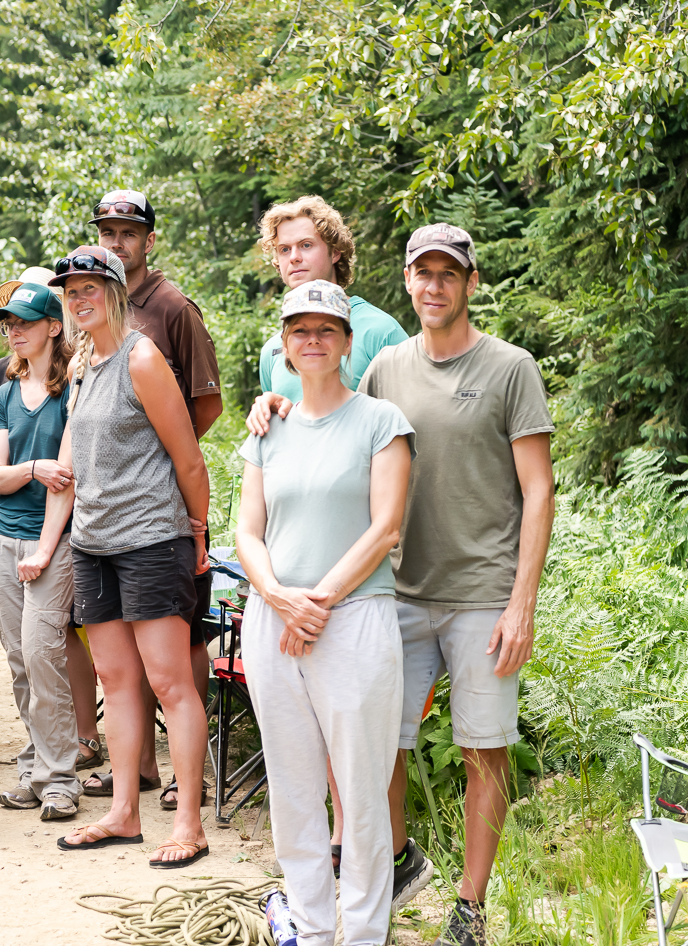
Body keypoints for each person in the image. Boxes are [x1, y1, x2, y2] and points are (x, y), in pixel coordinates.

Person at [253, 224, 551, 944]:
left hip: (482, 591)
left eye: (449, 274)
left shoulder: (512, 368)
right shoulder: (386, 368)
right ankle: (385, 873)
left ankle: (470, 909)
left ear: (470, 283)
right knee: (375, 751)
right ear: (409, 281)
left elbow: (538, 491)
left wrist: (521, 603)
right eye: (424, 274)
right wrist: (276, 407)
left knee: (484, 748)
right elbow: (334, 421)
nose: (435, 286)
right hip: (396, 593)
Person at [234, 279, 416, 946]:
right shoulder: (268, 428)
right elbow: (247, 531)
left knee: (360, 790)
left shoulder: (381, 422)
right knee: (293, 784)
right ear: (284, 344)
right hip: (273, 619)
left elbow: (385, 526)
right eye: (299, 331)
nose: (312, 341)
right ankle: (311, 929)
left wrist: (319, 601)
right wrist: (281, 598)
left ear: (345, 343)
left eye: (325, 331)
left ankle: (363, 932)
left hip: (355, 619)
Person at [45, 245, 216, 869]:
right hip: (94, 545)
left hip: (152, 541)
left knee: (170, 683)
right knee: (117, 682)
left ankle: (190, 824)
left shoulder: (142, 358)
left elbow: (188, 456)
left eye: (90, 286)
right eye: (70, 290)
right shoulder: (87, 360)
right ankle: (123, 813)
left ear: (116, 290)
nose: (79, 297)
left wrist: (197, 535)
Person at [0, 279, 87, 821]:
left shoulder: (73, 389)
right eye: (8, 324)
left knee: (45, 656)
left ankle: (60, 778)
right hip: (3, 537)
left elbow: (64, 480)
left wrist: (45, 550)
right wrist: (31, 469)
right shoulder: (4, 393)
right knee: (20, 660)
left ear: (53, 326)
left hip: (53, 541)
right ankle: (34, 768)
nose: (14, 331)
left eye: (24, 322)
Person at [88, 192, 223, 437]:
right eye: (108, 233)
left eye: (128, 234)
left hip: (154, 473)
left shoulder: (175, 308)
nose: (116, 243)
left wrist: (168, 455)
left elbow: (209, 406)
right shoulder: (89, 305)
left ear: (149, 242)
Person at [256, 196, 411, 400]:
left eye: (306, 245)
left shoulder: (381, 332)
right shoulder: (272, 350)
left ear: (335, 252)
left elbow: (411, 418)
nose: (294, 257)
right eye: (284, 249)